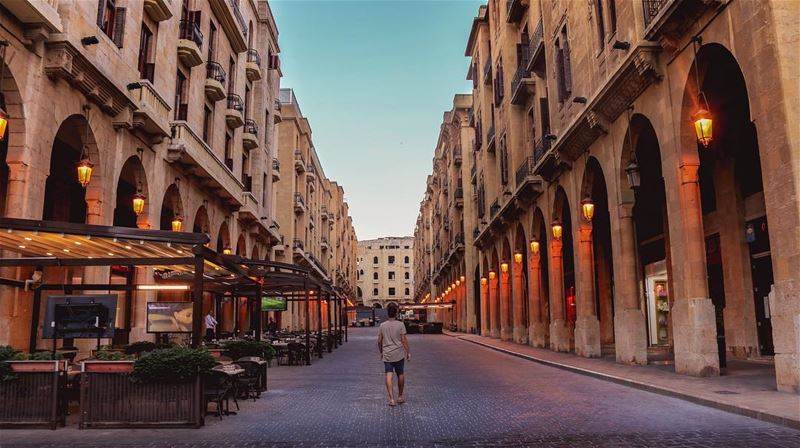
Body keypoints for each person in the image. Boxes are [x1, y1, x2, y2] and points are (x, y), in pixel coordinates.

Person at [377, 303, 411, 406]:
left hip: (387, 353)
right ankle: (400, 397)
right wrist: (408, 352)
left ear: (388, 313)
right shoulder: (400, 324)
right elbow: (404, 340)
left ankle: (391, 399)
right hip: (399, 353)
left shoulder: (382, 325)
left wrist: (381, 352)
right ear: (396, 313)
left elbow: (379, 341)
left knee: (388, 374)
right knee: (400, 374)